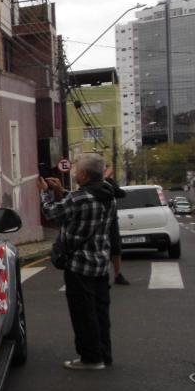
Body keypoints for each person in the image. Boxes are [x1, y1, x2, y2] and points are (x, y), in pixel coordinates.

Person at [38, 153, 117, 370]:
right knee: (100, 311)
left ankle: (90, 359)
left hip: (79, 264)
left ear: (83, 174)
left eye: (76, 171)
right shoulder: (108, 194)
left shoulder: (80, 198)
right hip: (101, 262)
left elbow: (52, 213)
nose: (74, 174)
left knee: (83, 313)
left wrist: (45, 194)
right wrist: (59, 192)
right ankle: (104, 354)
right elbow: (76, 204)